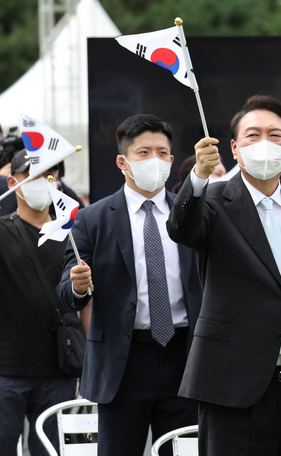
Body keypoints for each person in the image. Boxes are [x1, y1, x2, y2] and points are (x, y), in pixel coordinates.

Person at [167, 95, 281, 455]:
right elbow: (181, 228)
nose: (265, 143)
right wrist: (198, 176)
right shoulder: (212, 201)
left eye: (275, 135)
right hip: (232, 382)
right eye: (253, 135)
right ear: (235, 149)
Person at [57, 114, 203, 456]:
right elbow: (65, 292)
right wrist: (79, 286)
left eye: (162, 152)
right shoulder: (91, 219)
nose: (155, 160)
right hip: (123, 364)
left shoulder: (193, 214)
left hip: (185, 358)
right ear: (123, 162)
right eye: (143, 152)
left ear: (171, 159)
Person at [0, 150, 76, 455]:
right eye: (32, 176)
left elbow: (85, 301)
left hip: (59, 369)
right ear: (12, 182)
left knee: (52, 451)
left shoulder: (72, 233)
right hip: (6, 371)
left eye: (50, 175)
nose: (44, 183)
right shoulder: (3, 231)